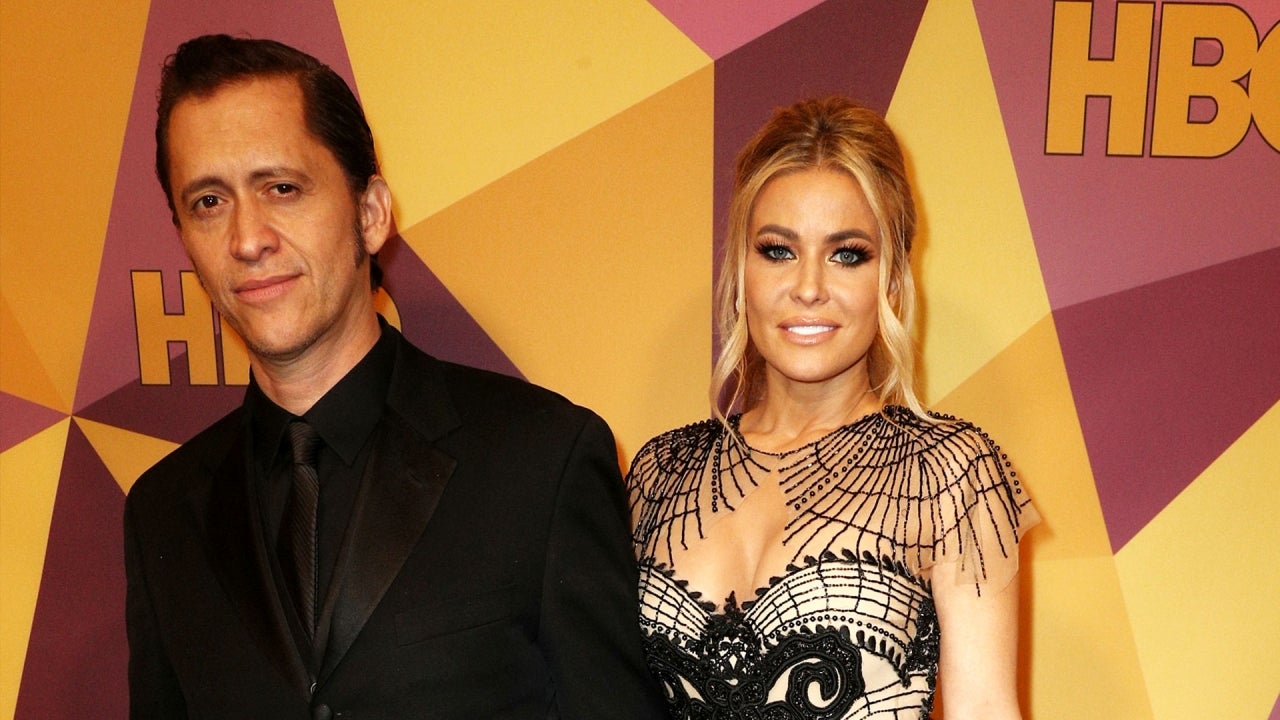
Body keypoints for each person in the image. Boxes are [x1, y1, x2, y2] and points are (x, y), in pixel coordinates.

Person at [125, 34, 664, 719]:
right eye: (208, 202)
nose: (247, 239)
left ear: (371, 213)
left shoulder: (541, 459)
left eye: (282, 188)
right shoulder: (162, 512)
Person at [626, 96, 1039, 719]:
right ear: (741, 270)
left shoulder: (953, 473)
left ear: (891, 279)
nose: (809, 287)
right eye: (778, 250)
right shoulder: (661, 471)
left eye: (847, 254)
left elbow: (983, 708)